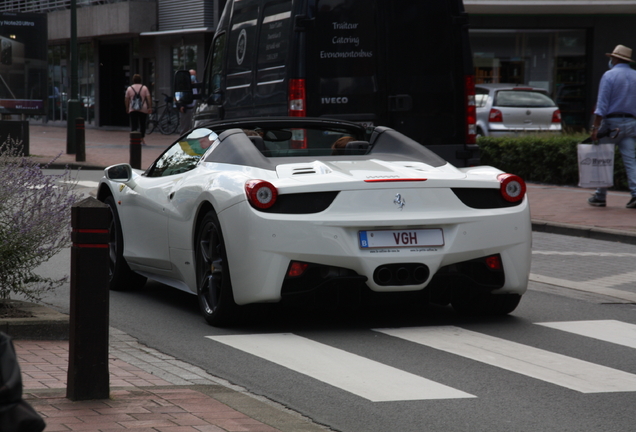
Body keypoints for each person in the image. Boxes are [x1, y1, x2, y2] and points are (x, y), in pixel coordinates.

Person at [588, 44, 636, 209]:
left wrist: (595, 128)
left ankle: (600, 196)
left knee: (604, 160)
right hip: (631, 124)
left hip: (611, 125)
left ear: (615, 58)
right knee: (631, 161)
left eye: (611, 58)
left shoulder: (609, 75)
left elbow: (601, 105)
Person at [125, 74, 152, 145]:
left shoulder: (129, 88)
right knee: (142, 124)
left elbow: (126, 99)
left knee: (134, 124)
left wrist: (127, 107)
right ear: (140, 80)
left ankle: (134, 139)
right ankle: (142, 138)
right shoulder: (144, 88)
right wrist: (149, 107)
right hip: (143, 108)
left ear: (133, 80)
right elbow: (148, 98)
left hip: (132, 109)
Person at [178, 69, 198, 135]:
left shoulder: (197, 84)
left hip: (195, 109)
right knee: (185, 127)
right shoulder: (183, 84)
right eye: (191, 75)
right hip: (187, 109)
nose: (192, 76)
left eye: (193, 75)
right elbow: (178, 96)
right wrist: (180, 105)